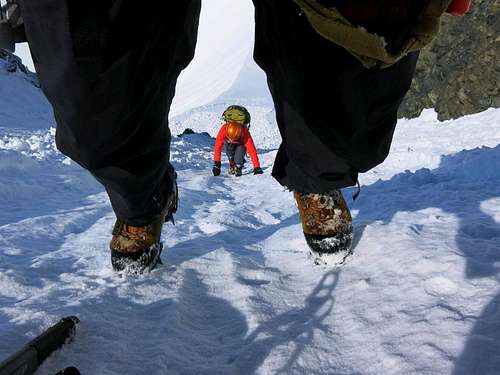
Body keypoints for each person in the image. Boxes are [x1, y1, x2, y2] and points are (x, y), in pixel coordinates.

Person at [9, 0, 469, 272]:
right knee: (95, 100)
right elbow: (230, 143)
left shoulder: (238, 131)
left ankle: (318, 171)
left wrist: (242, 161)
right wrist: (221, 161)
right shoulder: (232, 132)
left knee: (354, 48)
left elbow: (241, 143)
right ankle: (141, 197)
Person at [212, 105, 263, 177]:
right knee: (229, 153)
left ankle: (238, 166)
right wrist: (217, 165)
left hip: (240, 143)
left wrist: (257, 167)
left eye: (234, 138)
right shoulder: (223, 130)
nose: (232, 140)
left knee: (238, 157)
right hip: (228, 144)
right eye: (231, 138)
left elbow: (252, 150)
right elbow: (217, 147)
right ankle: (232, 165)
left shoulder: (245, 133)